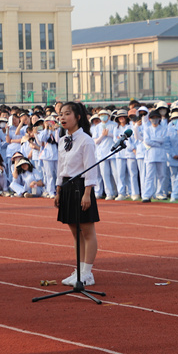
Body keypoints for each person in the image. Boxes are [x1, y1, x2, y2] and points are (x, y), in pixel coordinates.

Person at [55, 102, 100, 286]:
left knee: (87, 231)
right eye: (60, 115)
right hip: (67, 186)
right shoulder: (62, 140)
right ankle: (79, 271)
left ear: (78, 117)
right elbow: (60, 167)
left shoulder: (86, 140)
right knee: (75, 233)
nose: (63, 118)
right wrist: (58, 190)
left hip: (81, 187)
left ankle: (87, 272)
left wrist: (87, 193)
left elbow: (91, 169)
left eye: (67, 114)